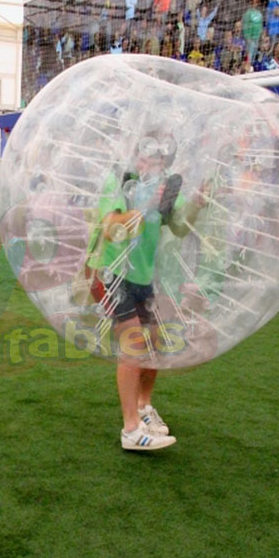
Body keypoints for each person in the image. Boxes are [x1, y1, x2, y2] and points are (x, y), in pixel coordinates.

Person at [86, 130, 209, 451]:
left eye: (160, 157)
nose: (153, 161)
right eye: (147, 154)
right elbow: (113, 228)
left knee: (153, 344)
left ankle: (143, 408)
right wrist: (146, 204)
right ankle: (130, 430)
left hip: (144, 276)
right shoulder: (119, 182)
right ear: (135, 155)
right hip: (112, 272)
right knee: (135, 343)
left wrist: (195, 204)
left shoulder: (167, 188)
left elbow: (180, 226)